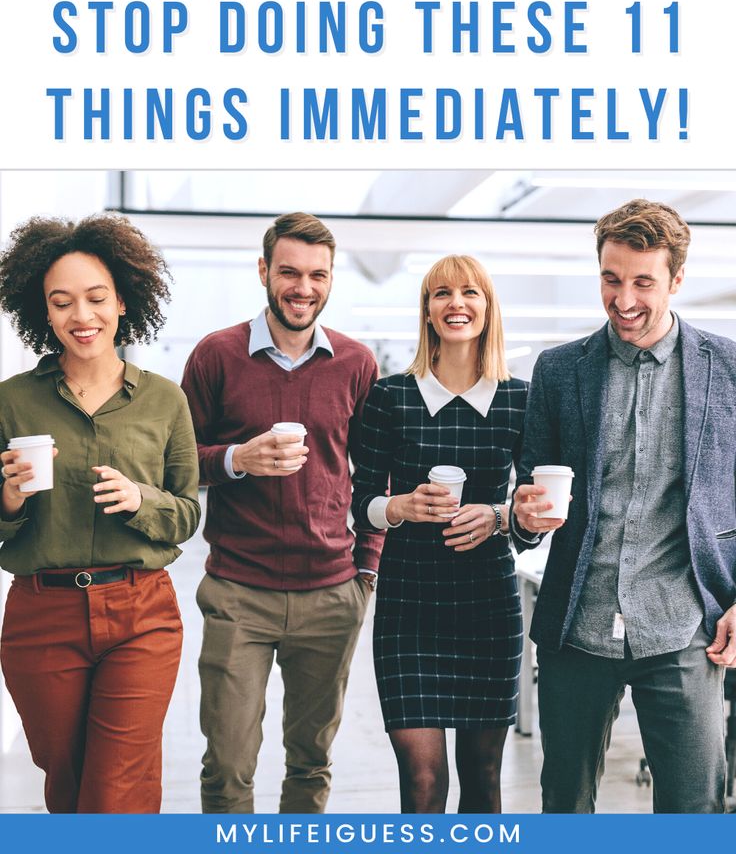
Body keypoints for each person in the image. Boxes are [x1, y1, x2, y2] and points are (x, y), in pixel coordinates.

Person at [511, 198, 736, 814]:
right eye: (611, 279)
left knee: (695, 808)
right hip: (577, 626)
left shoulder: (728, 369)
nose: (624, 298)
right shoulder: (559, 371)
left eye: (644, 281)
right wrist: (523, 518)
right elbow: (526, 494)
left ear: (677, 279)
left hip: (683, 627)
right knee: (565, 803)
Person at [180, 211, 383, 814]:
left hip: (331, 592)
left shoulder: (356, 363)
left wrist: (366, 568)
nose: (303, 288)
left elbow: (375, 475)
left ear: (330, 279)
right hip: (239, 591)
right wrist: (237, 458)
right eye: (289, 272)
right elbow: (175, 464)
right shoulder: (216, 355)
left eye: (317, 275)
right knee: (227, 765)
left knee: (311, 762)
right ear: (265, 271)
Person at [0, 213, 200, 814]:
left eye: (95, 298)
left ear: (123, 300)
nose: (81, 316)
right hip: (42, 616)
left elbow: (187, 513)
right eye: (62, 303)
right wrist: (8, 500)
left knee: (118, 790)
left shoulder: (165, 400)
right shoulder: (11, 400)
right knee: (67, 786)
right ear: (43, 312)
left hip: (142, 613)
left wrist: (143, 500)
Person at [351, 255, 527, 813]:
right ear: (426, 311)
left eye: (470, 292)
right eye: (442, 294)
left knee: (484, 775)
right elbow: (362, 507)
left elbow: (536, 514)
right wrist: (399, 507)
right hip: (410, 606)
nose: (457, 303)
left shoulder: (519, 400)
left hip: (489, 606)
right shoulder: (390, 397)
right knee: (423, 782)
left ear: (487, 308)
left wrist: (498, 516)